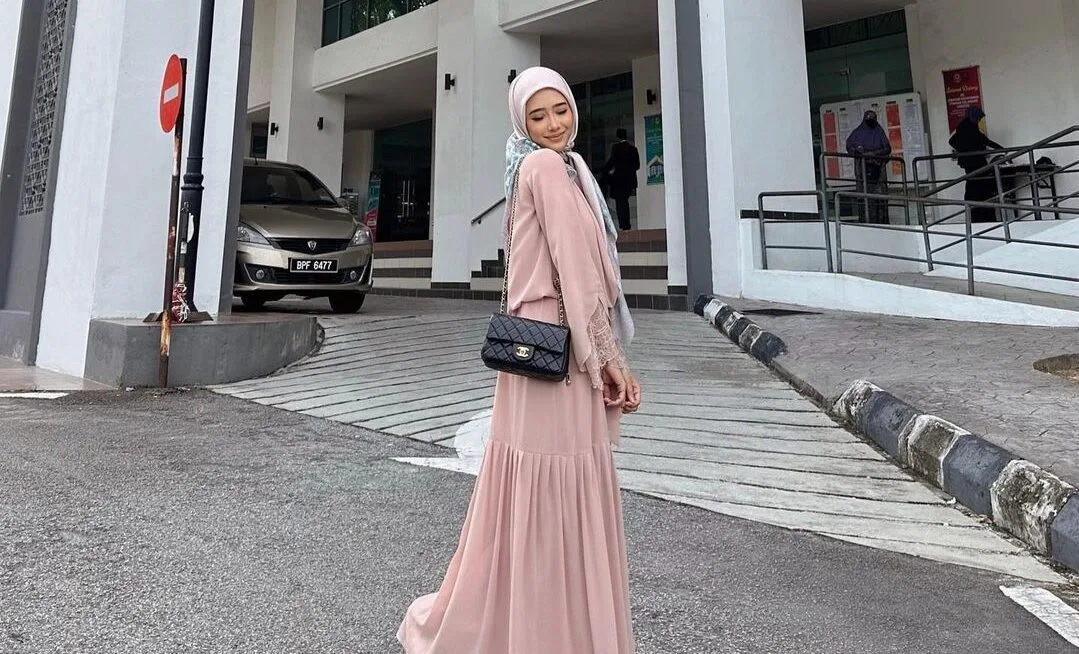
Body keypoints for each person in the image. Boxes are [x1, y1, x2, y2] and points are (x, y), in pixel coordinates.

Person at [397, 66, 641, 654]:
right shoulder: (545, 168)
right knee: (556, 484)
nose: (553, 123)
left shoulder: (558, 167)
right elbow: (576, 270)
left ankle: (531, 626)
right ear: (521, 123)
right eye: (538, 115)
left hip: (541, 344)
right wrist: (609, 356)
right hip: (560, 345)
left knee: (536, 487)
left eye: (561, 109)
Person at [949, 106, 1004, 223]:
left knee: (974, 188)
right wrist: (1000, 148)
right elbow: (983, 140)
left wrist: (963, 151)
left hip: (971, 163)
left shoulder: (964, 126)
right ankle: (983, 216)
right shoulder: (969, 127)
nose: (979, 120)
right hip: (975, 163)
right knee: (980, 188)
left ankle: (977, 215)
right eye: (978, 118)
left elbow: (954, 141)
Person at [846, 109, 892, 224]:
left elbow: (887, 148)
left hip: (878, 173)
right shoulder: (857, 132)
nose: (871, 121)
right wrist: (859, 152)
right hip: (862, 173)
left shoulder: (879, 131)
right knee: (865, 199)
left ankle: (882, 223)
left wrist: (874, 154)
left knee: (880, 200)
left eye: (873, 119)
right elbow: (850, 147)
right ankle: (866, 223)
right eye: (869, 119)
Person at [603, 128, 641, 231]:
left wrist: (606, 171)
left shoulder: (616, 148)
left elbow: (612, 162)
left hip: (618, 180)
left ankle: (623, 224)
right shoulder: (633, 149)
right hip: (629, 180)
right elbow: (637, 165)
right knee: (625, 201)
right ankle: (627, 224)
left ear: (617, 137)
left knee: (620, 202)